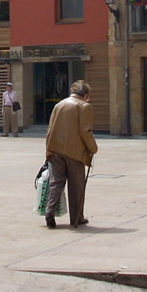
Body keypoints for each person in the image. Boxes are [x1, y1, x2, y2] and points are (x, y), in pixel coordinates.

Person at [44, 80, 98, 228]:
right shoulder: (84, 106)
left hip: (55, 149)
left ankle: (50, 210)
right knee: (76, 186)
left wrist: (48, 150)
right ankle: (77, 218)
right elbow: (85, 131)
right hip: (74, 151)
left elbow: (50, 129)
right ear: (86, 95)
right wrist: (93, 148)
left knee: (56, 182)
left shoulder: (59, 105)